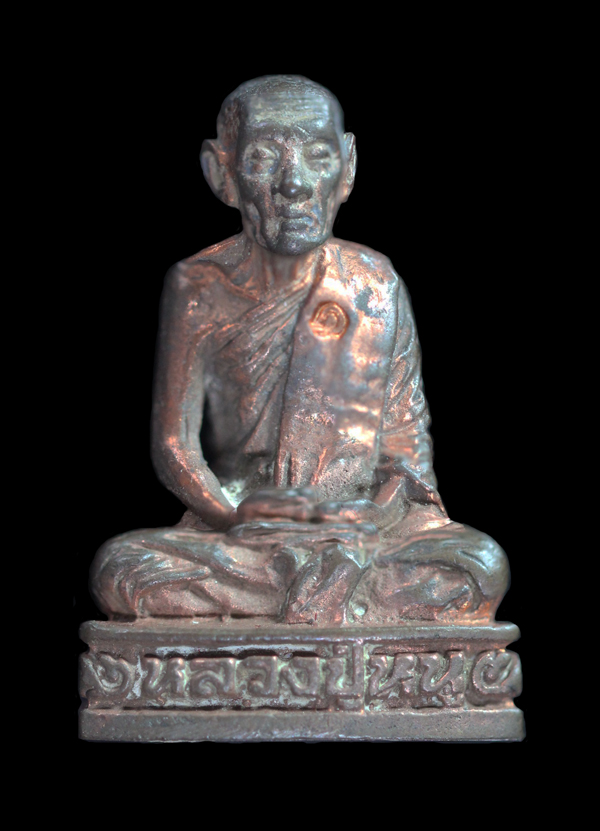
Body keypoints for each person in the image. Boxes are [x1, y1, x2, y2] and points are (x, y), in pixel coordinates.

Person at [91, 75, 508, 625]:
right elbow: (174, 446)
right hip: (243, 531)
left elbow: (406, 453)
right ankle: (325, 595)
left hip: (357, 528)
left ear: (347, 167)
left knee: (481, 564)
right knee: (121, 570)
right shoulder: (199, 286)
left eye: (317, 156)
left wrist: (361, 524)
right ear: (222, 173)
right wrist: (236, 517)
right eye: (263, 158)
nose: (294, 183)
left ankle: (311, 587)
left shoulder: (374, 283)